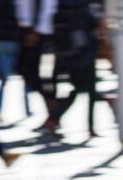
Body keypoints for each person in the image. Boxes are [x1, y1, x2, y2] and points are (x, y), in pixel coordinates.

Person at [42, 0, 101, 138]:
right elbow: (93, 23)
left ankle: (54, 118)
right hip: (85, 54)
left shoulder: (59, 6)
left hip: (67, 55)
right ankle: (89, 127)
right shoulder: (82, 6)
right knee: (87, 90)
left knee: (78, 89)